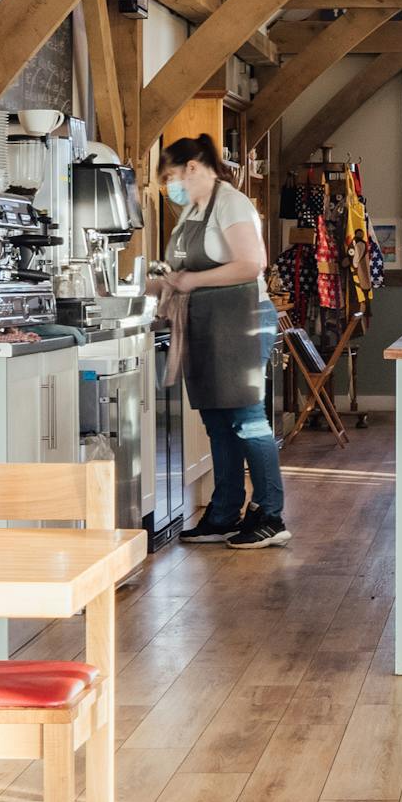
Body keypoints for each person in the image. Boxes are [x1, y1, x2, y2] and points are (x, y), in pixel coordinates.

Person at [151, 133, 284, 548]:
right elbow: (180, 272)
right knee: (217, 421)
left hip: (242, 321)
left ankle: (270, 515)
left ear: (192, 167)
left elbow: (252, 263)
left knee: (247, 419)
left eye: (171, 177)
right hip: (207, 325)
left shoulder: (231, 203)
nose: (170, 188)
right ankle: (224, 513)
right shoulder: (192, 210)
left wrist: (192, 280)